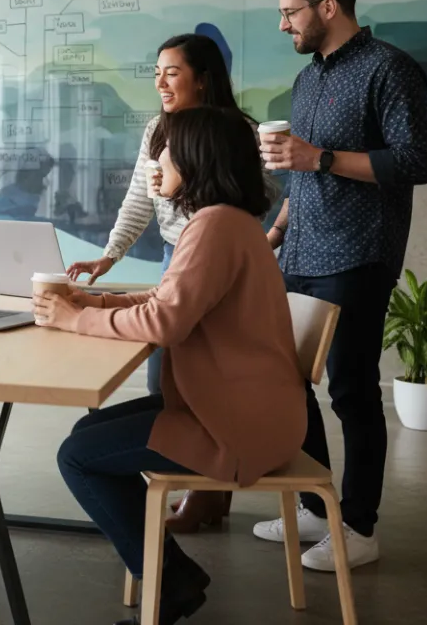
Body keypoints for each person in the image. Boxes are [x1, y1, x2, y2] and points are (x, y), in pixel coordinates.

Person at [39, 107, 305, 625]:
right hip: (248, 407)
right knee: (89, 432)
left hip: (237, 424)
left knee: (78, 454)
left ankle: (171, 586)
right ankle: (173, 579)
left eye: (165, 151)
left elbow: (164, 323)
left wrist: (73, 321)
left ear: (197, 158)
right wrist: (90, 304)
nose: (156, 162)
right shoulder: (225, 221)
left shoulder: (214, 228)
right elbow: (167, 296)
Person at [256, 0, 427, 571]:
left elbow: (416, 163)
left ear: (327, 7)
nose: (284, 24)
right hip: (301, 251)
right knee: (286, 381)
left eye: (290, 11)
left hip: (359, 254)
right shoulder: (308, 81)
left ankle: (359, 528)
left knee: (353, 391)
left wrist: (323, 158)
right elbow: (303, 177)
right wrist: (272, 235)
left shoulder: (391, 70)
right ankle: (313, 505)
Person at [66, 34, 260, 534]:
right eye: (156, 71)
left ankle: (204, 490)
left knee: (198, 376)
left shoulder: (237, 134)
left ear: (203, 77)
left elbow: (249, 201)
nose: (160, 81)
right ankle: (194, 487)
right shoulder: (158, 129)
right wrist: (110, 256)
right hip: (182, 252)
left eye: (171, 71)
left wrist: (84, 314)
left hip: (211, 252)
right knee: (165, 380)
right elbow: (138, 199)